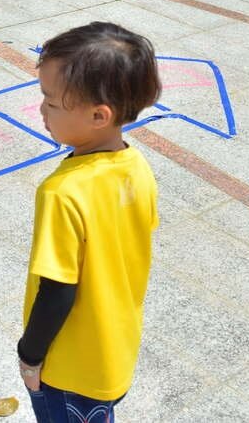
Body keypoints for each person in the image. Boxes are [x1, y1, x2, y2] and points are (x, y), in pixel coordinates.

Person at [17, 22, 160, 422]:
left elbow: (58, 291)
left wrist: (29, 354)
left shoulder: (62, 191)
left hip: (70, 369)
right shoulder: (136, 165)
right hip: (115, 347)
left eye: (51, 102)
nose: (41, 109)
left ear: (99, 115)